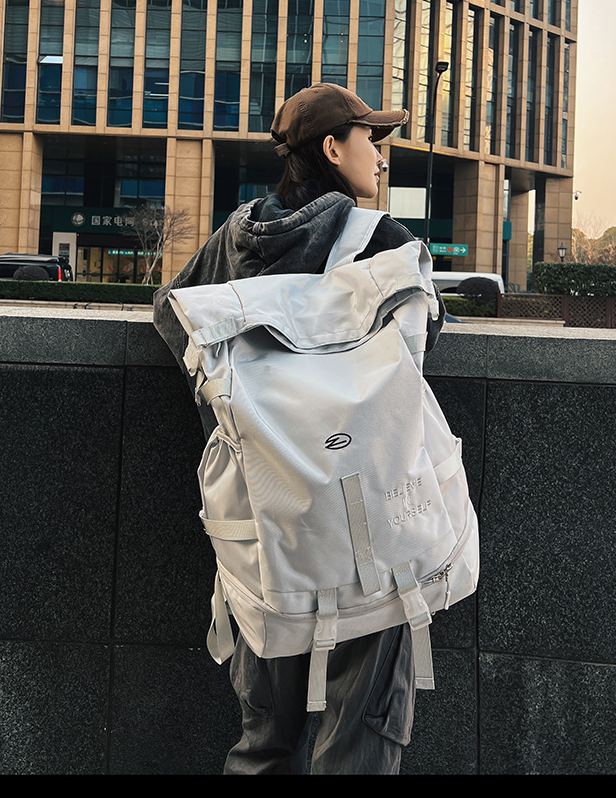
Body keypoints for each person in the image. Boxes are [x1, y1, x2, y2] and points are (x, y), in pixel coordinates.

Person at [153, 83, 444, 775]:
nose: (381, 156)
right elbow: (421, 346)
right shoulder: (382, 241)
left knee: (265, 741)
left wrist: (240, 414)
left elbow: (172, 315)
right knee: (360, 735)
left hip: (262, 518)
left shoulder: (234, 236)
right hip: (362, 522)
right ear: (333, 148)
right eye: (371, 139)